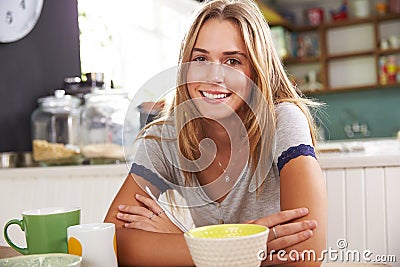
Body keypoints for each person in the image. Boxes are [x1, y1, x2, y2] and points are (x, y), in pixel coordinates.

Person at [104, 0, 327, 266]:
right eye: (200, 59)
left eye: (232, 61)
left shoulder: (282, 120)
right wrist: (237, 249)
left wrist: (186, 241)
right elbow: (115, 241)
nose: (214, 76)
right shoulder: (167, 137)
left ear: (256, 71)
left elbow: (304, 255)